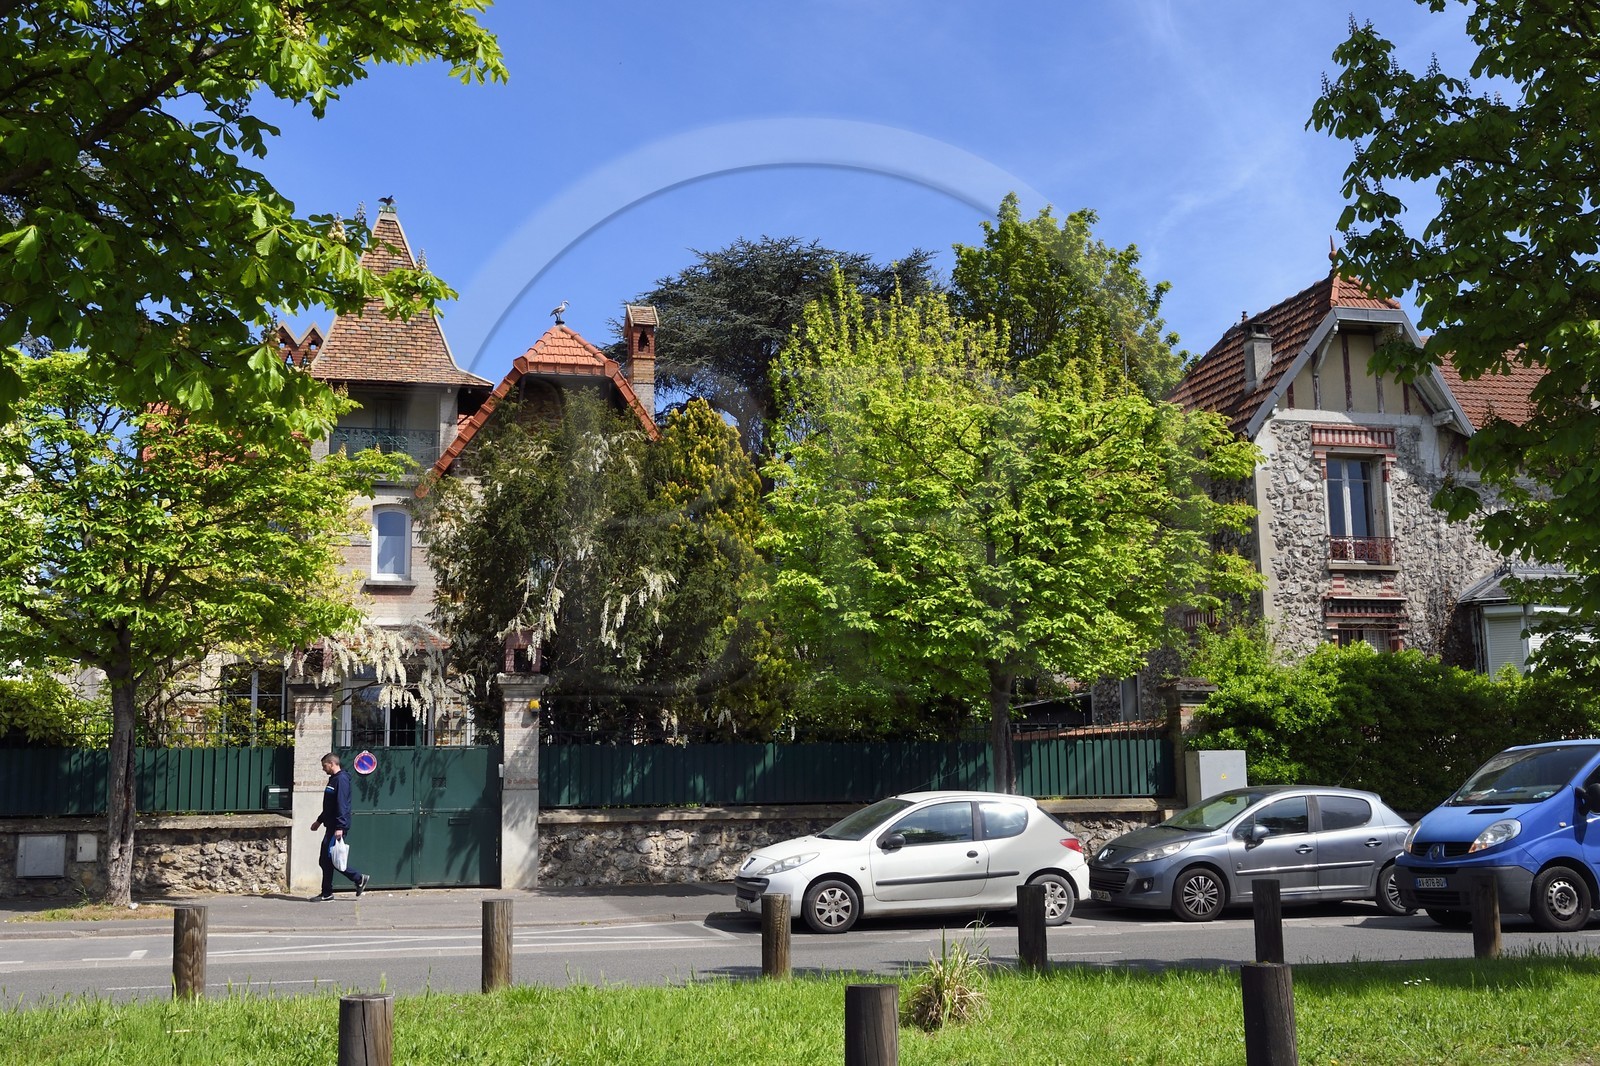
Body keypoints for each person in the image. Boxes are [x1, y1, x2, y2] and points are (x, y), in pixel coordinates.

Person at [310, 751, 371, 901]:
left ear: (332, 763)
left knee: (330, 859)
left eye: (324, 766)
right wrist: (319, 821)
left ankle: (357, 879)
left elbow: (342, 804)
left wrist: (340, 827)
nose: (323, 769)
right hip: (331, 825)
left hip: (336, 827)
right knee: (325, 859)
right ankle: (327, 892)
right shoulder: (333, 779)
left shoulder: (341, 780)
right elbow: (330, 806)